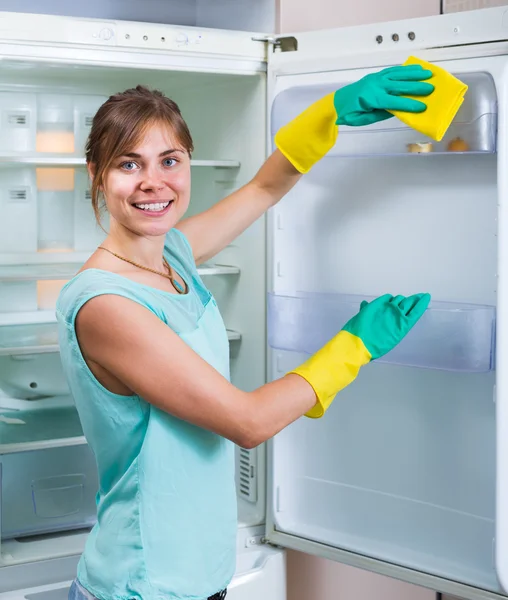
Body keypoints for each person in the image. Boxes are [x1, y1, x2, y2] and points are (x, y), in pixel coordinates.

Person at [58, 65, 434, 600]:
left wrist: (330, 114)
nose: (153, 182)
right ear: (96, 174)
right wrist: (356, 345)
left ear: (188, 163)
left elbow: (264, 186)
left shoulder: (173, 257)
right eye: (128, 164)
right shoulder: (104, 305)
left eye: (170, 160)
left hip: (201, 579)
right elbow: (247, 421)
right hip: (140, 586)